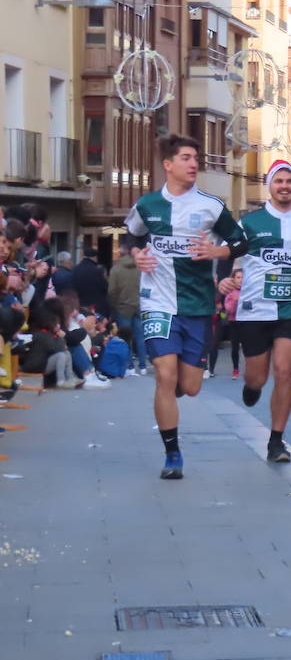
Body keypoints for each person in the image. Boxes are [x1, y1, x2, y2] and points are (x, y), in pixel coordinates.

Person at [126, 135, 249, 480]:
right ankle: (173, 454)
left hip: (196, 305)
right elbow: (132, 235)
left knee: (190, 386)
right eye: (186, 158)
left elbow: (241, 241)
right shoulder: (148, 205)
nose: (194, 163)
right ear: (168, 165)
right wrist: (137, 255)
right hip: (157, 302)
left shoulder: (210, 206)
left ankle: (179, 384)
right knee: (164, 375)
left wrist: (218, 252)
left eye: (196, 158)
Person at [223, 160, 291, 464]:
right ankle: (252, 385)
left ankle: (276, 441)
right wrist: (225, 277)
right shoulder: (250, 222)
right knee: (257, 377)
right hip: (254, 310)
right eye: (279, 181)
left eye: (289, 181)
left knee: (284, 371)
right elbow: (227, 251)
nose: (284, 186)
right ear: (269, 185)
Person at [107, 236, 145, 375]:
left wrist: (113, 305)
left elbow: (112, 291)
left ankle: (129, 365)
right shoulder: (140, 268)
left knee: (125, 337)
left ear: (119, 253)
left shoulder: (116, 269)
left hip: (123, 307)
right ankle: (143, 365)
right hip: (139, 305)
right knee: (140, 336)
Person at [72, 247, 108, 315]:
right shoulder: (97, 270)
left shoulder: (75, 270)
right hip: (96, 306)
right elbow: (104, 288)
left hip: (81, 305)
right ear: (94, 257)